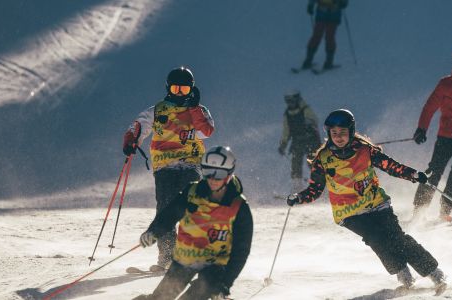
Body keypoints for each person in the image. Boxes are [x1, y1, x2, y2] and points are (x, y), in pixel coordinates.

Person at [286, 109, 447, 293]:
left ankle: (434, 272)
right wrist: (299, 197)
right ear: (329, 134)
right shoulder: (323, 159)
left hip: (377, 204)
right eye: (334, 133)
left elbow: (391, 166)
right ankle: (403, 274)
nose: (339, 137)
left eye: (343, 133)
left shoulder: (365, 150)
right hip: (349, 213)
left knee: (397, 238)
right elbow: (315, 190)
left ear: (351, 132)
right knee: (377, 238)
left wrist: (413, 175)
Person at [123, 66, 215, 272]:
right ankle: (167, 257)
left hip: (190, 164)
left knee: (189, 206)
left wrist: (194, 108)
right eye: (175, 89)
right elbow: (139, 126)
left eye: (184, 90)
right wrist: (131, 141)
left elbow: (206, 131)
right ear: (168, 89)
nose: (179, 94)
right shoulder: (158, 110)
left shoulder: (199, 110)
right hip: (165, 166)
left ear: (191, 89)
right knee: (165, 209)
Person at [133, 146, 253, 300]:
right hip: (186, 259)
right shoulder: (192, 192)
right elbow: (170, 214)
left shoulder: (239, 207)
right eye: (208, 172)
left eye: (220, 174)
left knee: (197, 294)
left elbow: (241, 250)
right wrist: (154, 231)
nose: (213, 180)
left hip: (215, 265)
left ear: (230, 174)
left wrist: (225, 284)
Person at [412, 46, 452, 223]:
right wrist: (422, 128)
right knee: (434, 170)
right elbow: (430, 107)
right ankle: (420, 208)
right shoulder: (445, 84)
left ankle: (445, 210)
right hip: (446, 136)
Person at [278, 89, 321, 192]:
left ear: (297, 99)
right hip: (298, 141)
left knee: (313, 162)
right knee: (295, 162)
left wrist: (308, 125)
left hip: (311, 139)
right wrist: (283, 144)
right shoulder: (287, 114)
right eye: (288, 101)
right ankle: (297, 186)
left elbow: (315, 120)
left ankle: (320, 184)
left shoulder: (305, 109)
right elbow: (286, 130)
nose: (290, 104)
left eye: (292, 101)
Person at [301, 0, 349, 70]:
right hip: (325, 11)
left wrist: (344, 2)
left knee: (328, 36)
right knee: (319, 35)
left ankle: (327, 62)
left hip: (332, 11)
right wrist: (310, 5)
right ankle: (309, 60)